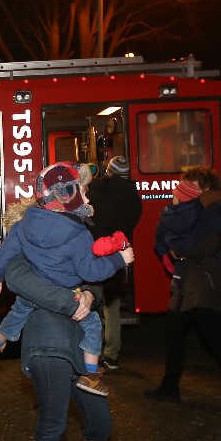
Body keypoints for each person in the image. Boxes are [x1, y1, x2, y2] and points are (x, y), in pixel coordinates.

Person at [0, 162, 134, 396]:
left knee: (19, 310)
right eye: (83, 193)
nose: (88, 199)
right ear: (68, 196)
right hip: (67, 294)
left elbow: (5, 254)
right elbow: (91, 272)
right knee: (92, 324)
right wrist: (119, 259)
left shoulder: (22, 225)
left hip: (34, 290)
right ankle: (91, 375)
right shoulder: (79, 235)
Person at [4, 255, 118, 441]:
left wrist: (90, 294)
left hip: (81, 343)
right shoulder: (26, 240)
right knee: (54, 424)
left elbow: (95, 275)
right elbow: (17, 277)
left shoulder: (77, 239)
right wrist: (72, 300)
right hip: (47, 341)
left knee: (101, 423)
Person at [144, 166, 221, 407]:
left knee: (207, 336)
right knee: (182, 332)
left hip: (206, 281)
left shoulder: (212, 208)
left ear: (205, 187)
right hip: (194, 281)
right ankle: (170, 387)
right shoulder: (199, 207)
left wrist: (180, 251)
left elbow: (211, 243)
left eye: (191, 184)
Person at [85, 154, 142, 370]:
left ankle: (92, 353)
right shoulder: (134, 197)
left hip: (97, 253)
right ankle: (112, 356)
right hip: (119, 256)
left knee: (90, 305)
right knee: (112, 309)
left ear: (109, 171)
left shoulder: (98, 191)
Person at [155, 178, 221, 287]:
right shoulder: (202, 210)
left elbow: (160, 235)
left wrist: (165, 253)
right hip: (196, 252)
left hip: (180, 247)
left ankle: (177, 277)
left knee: (181, 257)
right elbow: (216, 225)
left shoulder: (168, 215)